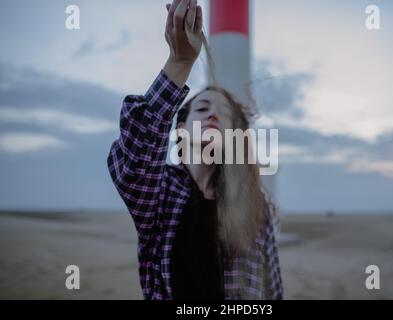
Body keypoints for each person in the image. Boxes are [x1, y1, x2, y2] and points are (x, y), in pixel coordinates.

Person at [107, 0, 283, 300]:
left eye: (224, 113)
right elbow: (136, 155)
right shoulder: (160, 193)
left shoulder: (255, 209)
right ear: (180, 129)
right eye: (202, 108)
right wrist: (180, 61)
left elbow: (273, 291)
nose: (213, 115)